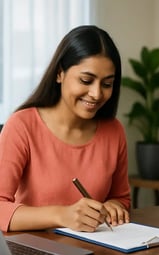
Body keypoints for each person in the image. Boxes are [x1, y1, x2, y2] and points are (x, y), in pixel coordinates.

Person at [0, 25, 131, 232]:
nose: (96, 94)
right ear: (60, 73)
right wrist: (63, 215)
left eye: (107, 84)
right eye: (86, 80)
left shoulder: (114, 131)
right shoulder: (22, 126)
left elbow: (121, 198)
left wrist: (114, 207)